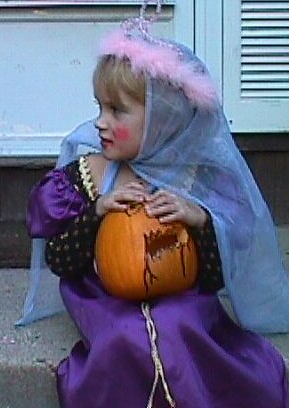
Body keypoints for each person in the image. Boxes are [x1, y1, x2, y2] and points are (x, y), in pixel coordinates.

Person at [25, 17, 289, 408]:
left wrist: (200, 220)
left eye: (117, 111)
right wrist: (96, 213)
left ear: (163, 120)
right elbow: (60, 259)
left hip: (181, 297)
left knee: (181, 328)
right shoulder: (87, 175)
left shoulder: (196, 180)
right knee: (123, 338)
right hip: (104, 296)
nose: (101, 122)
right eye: (100, 107)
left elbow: (217, 275)